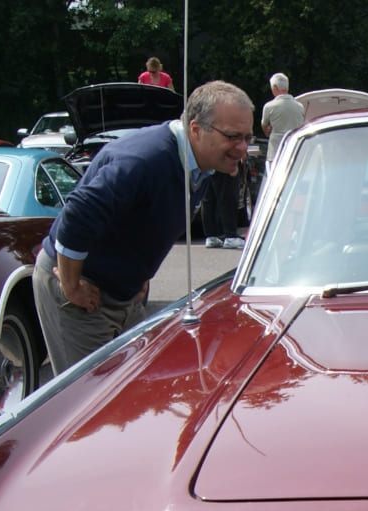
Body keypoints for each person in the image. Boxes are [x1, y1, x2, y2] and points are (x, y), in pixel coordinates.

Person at [33, 80, 254, 371]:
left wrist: (141, 275)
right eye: (233, 137)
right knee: (92, 400)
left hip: (124, 296)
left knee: (132, 392)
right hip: (85, 296)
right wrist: (71, 286)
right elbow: (79, 212)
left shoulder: (200, 162)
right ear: (196, 129)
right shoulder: (145, 160)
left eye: (247, 138)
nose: (242, 148)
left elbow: (146, 218)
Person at [261, 72, 305, 166]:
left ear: (275, 87)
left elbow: (264, 126)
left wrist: (268, 132)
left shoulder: (269, 106)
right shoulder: (300, 106)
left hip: (275, 152)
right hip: (294, 150)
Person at [201, 170, 242, 250]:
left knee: (208, 199)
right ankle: (230, 236)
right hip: (223, 163)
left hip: (206, 163)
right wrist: (234, 164)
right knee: (227, 197)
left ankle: (211, 236)